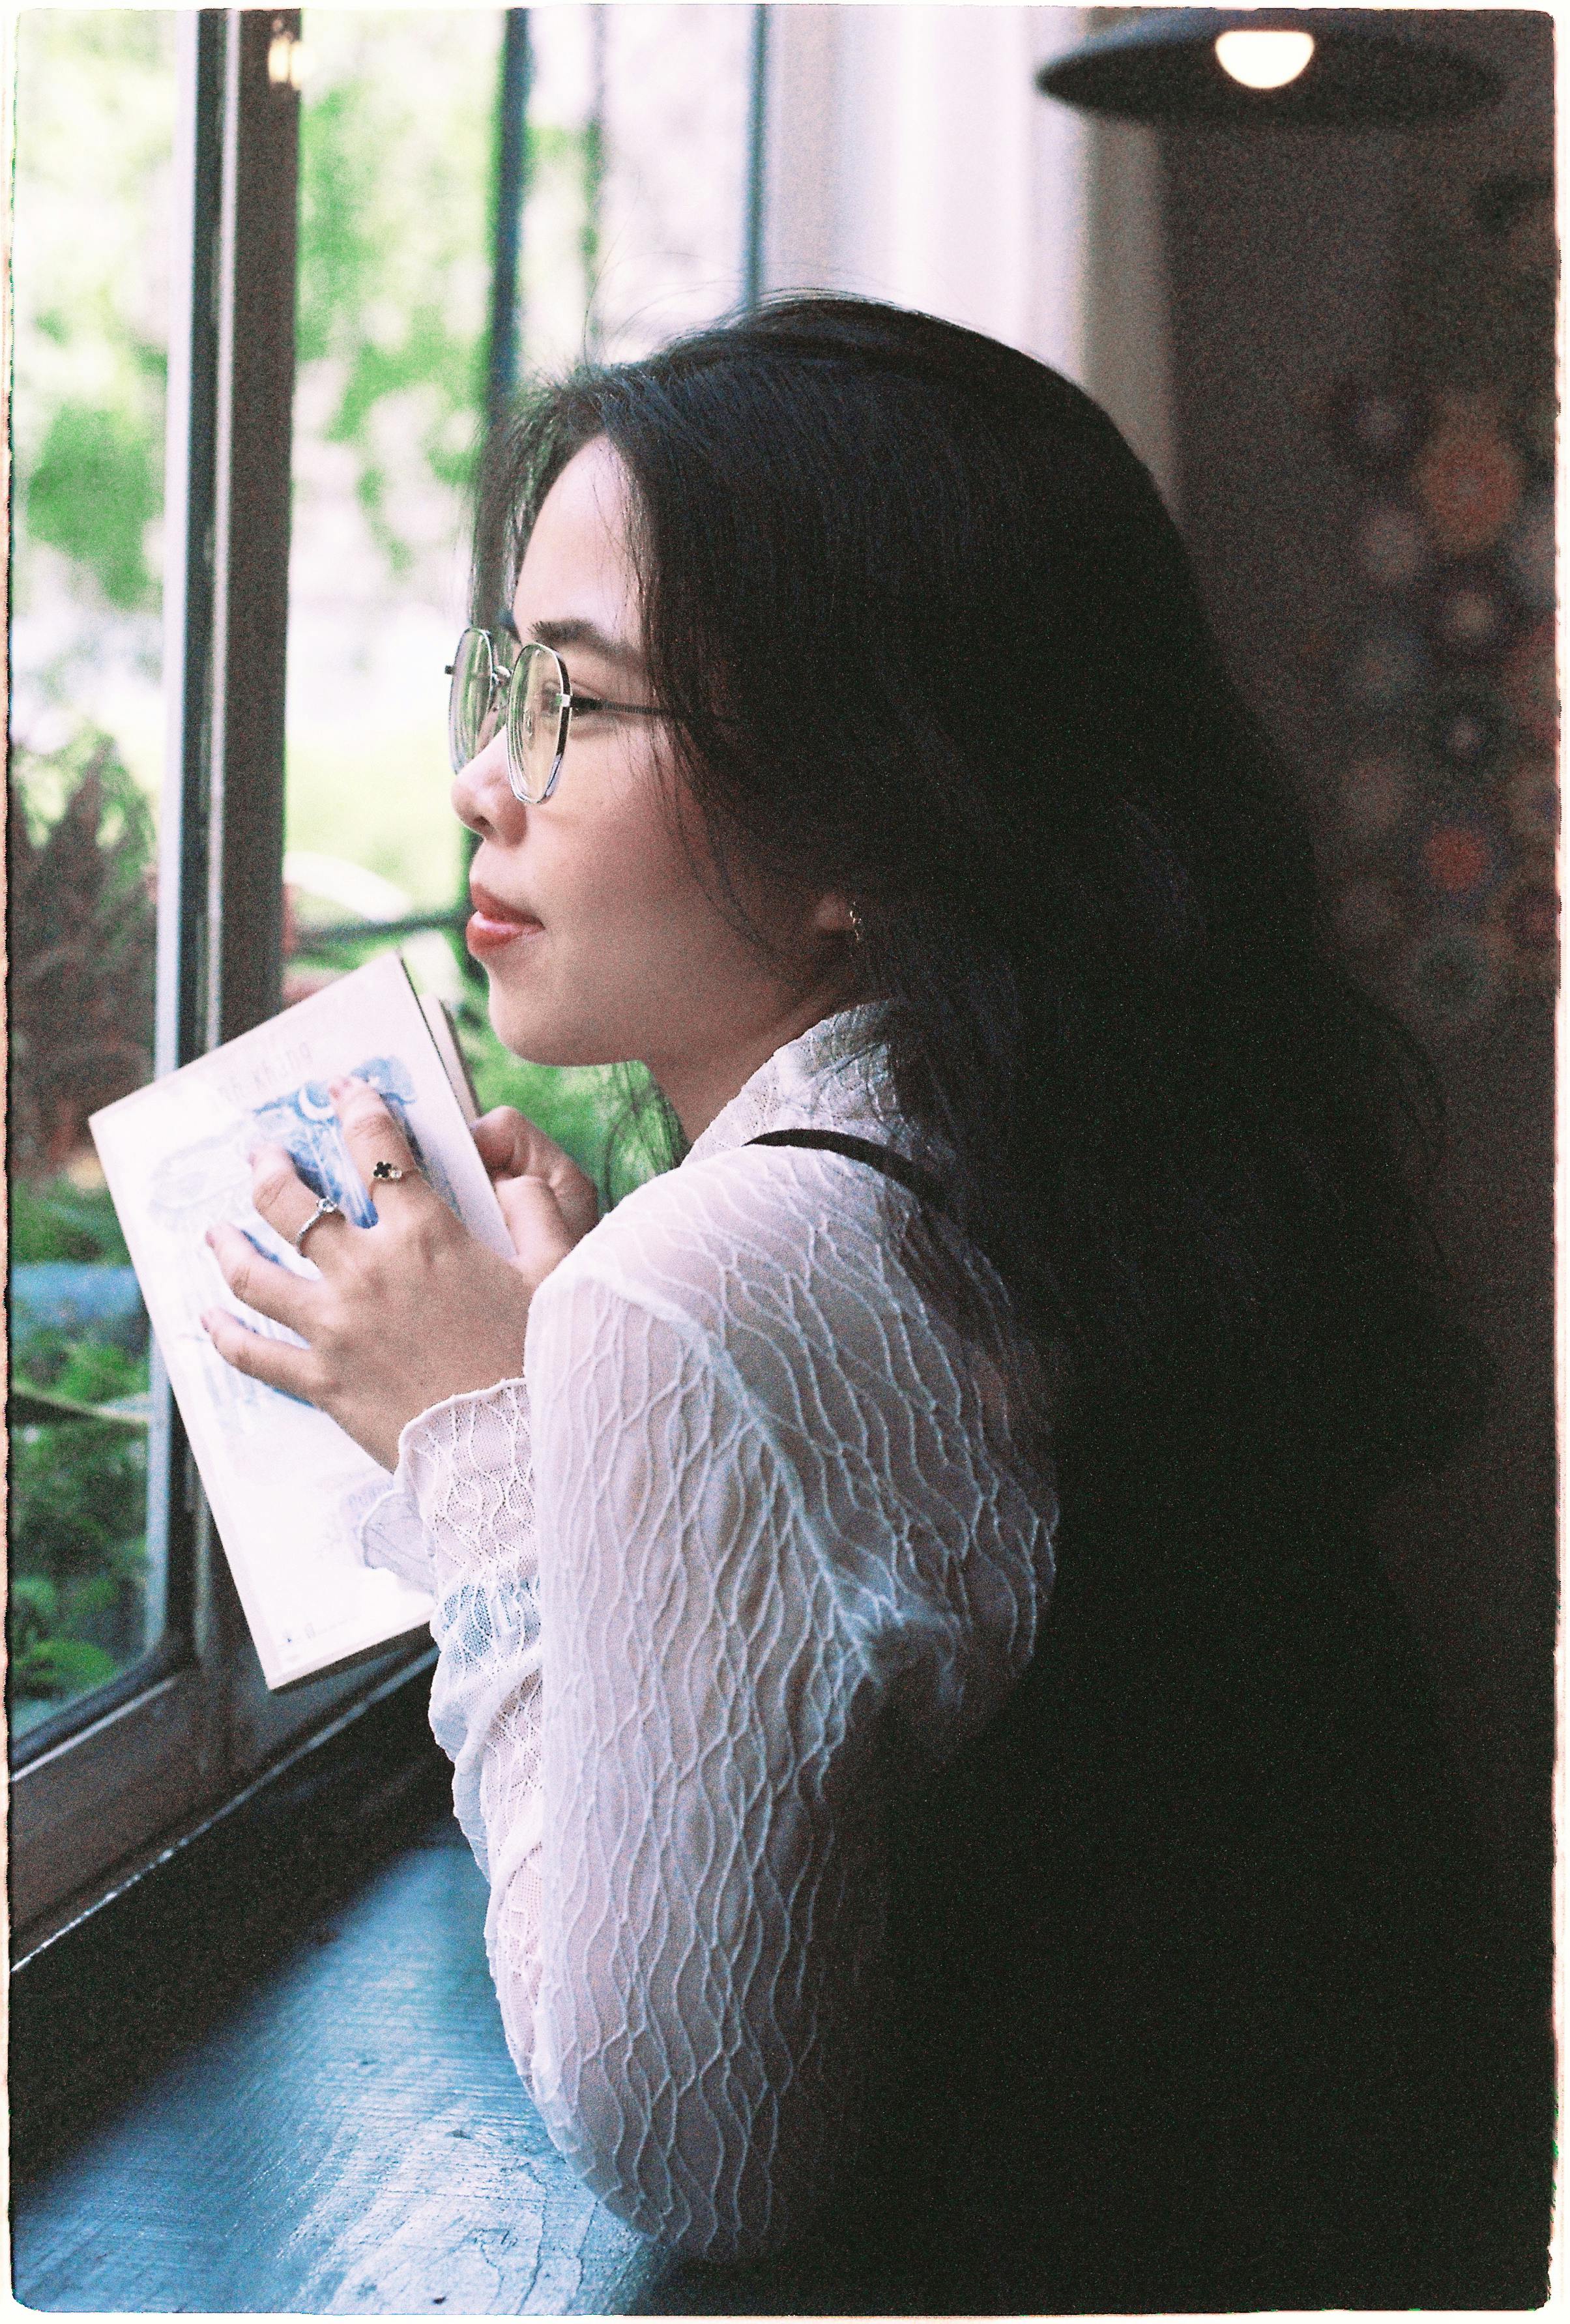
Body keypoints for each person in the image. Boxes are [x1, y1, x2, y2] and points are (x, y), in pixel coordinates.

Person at [202, 295, 1549, 2312]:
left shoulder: (712, 1285)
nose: (488, 780)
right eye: (499, 684)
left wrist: (485, 1453)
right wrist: (575, 1380)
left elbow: (693, 2154)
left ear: (872, 809)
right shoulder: (1082, 1145)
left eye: (578, 701)